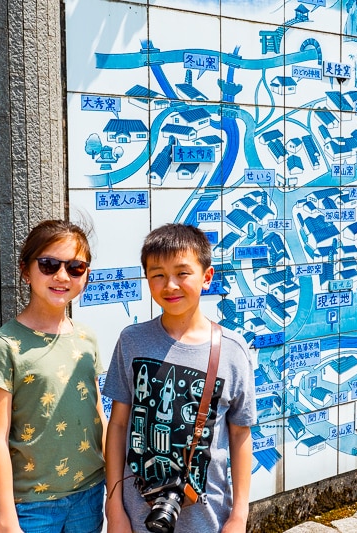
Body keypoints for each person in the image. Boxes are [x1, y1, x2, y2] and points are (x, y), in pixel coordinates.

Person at [104, 223, 256, 533]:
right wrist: (114, 507)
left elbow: (240, 435)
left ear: (207, 277)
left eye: (182, 273)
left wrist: (239, 516)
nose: (170, 285)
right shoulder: (132, 341)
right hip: (136, 516)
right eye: (158, 275)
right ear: (147, 280)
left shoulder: (232, 349)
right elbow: (118, 425)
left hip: (208, 519)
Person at [0, 220, 106, 533]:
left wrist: (116, 490)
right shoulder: (5, 345)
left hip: (89, 495)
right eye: (49, 264)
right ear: (26, 270)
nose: (62, 276)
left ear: (86, 274)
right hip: (33, 505)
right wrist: (5, 519)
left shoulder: (87, 338)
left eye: (76, 267)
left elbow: (98, 416)